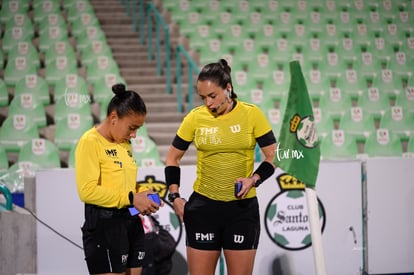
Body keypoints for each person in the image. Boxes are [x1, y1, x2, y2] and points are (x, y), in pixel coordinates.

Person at [164, 59, 278, 275]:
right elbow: (172, 157)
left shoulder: (251, 114)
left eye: (212, 96)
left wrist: (254, 179)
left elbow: (274, 155)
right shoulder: (195, 118)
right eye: (202, 97)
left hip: (241, 211)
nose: (207, 103)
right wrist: (174, 196)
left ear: (228, 88)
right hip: (203, 210)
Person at [75, 83, 161, 275]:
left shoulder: (125, 143)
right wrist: (132, 198)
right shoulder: (90, 141)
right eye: (132, 127)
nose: (134, 134)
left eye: (138, 128)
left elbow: (125, 186)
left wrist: (142, 195)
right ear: (114, 117)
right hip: (103, 227)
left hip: (129, 220)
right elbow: (87, 191)